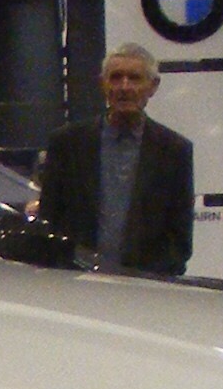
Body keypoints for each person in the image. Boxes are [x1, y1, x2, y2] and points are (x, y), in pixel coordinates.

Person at [33, 44, 194, 276]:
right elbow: (49, 222)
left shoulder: (175, 150)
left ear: (153, 86)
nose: (124, 87)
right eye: (116, 78)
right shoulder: (67, 143)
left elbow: (179, 240)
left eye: (135, 78)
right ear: (103, 84)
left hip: (146, 286)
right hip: (76, 282)